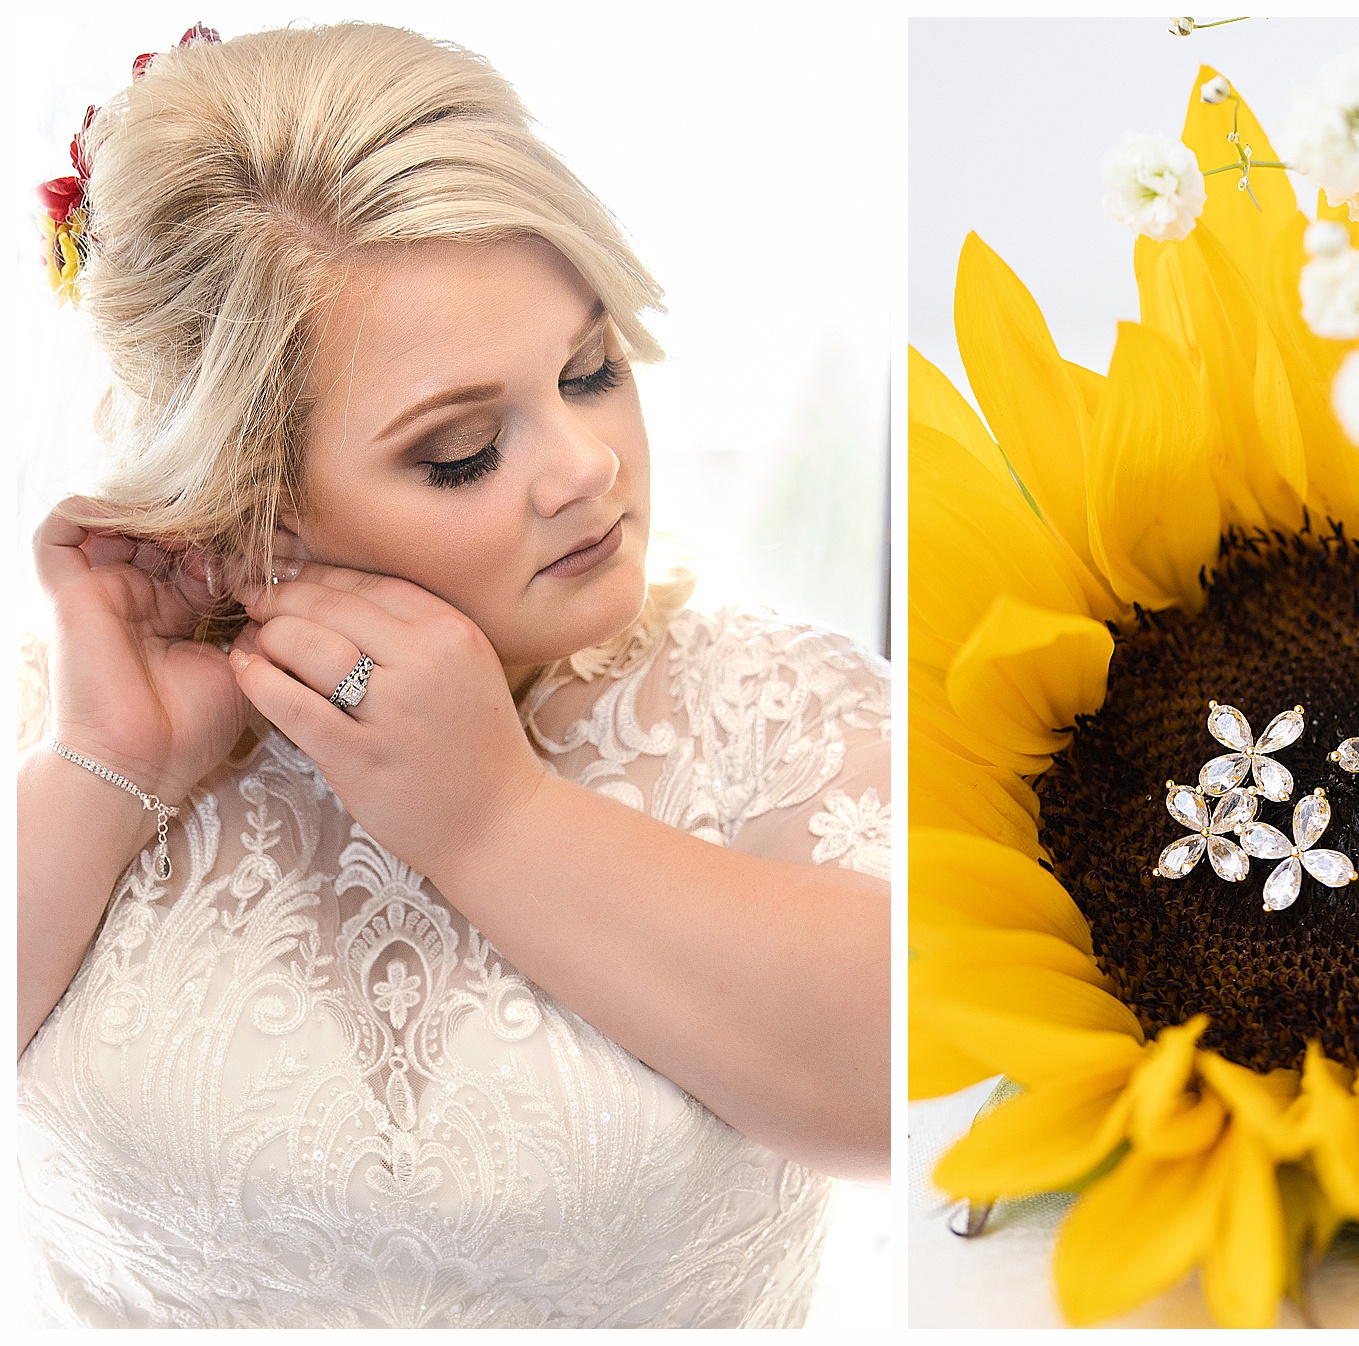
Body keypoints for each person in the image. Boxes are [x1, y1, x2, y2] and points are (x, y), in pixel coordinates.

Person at [16, 21, 890, 1329]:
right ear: (254, 506)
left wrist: (494, 816)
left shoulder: (789, 713)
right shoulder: (72, 707)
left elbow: (901, 1089)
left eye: (592, 370)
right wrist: (105, 768)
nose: (590, 464)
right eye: (464, 450)